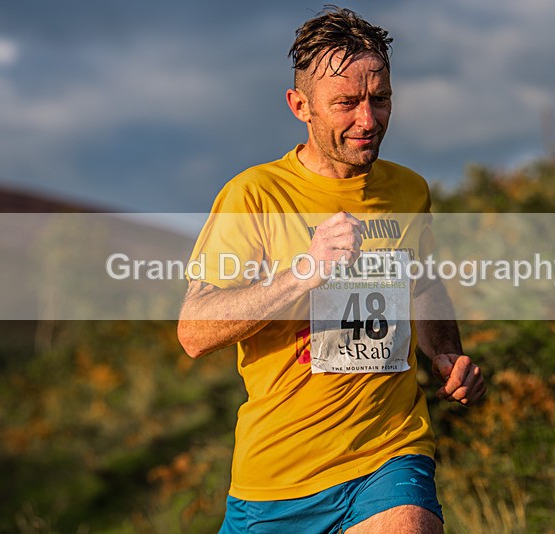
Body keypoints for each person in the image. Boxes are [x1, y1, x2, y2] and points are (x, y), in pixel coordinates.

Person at [178, 6, 486, 533]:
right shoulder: (254, 195)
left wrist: (446, 351)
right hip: (276, 480)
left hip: (389, 454)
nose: (368, 120)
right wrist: (306, 272)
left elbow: (424, 283)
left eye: (380, 99)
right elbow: (195, 331)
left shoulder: (408, 191)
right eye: (346, 103)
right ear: (301, 105)